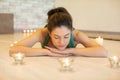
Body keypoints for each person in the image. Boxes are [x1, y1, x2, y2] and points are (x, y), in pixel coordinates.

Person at [9, 7, 108, 57]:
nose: (61, 42)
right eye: (56, 37)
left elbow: (103, 52)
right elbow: (13, 50)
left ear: (70, 31)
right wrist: (46, 52)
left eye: (66, 37)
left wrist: (71, 50)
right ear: (49, 32)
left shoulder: (76, 35)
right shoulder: (42, 33)